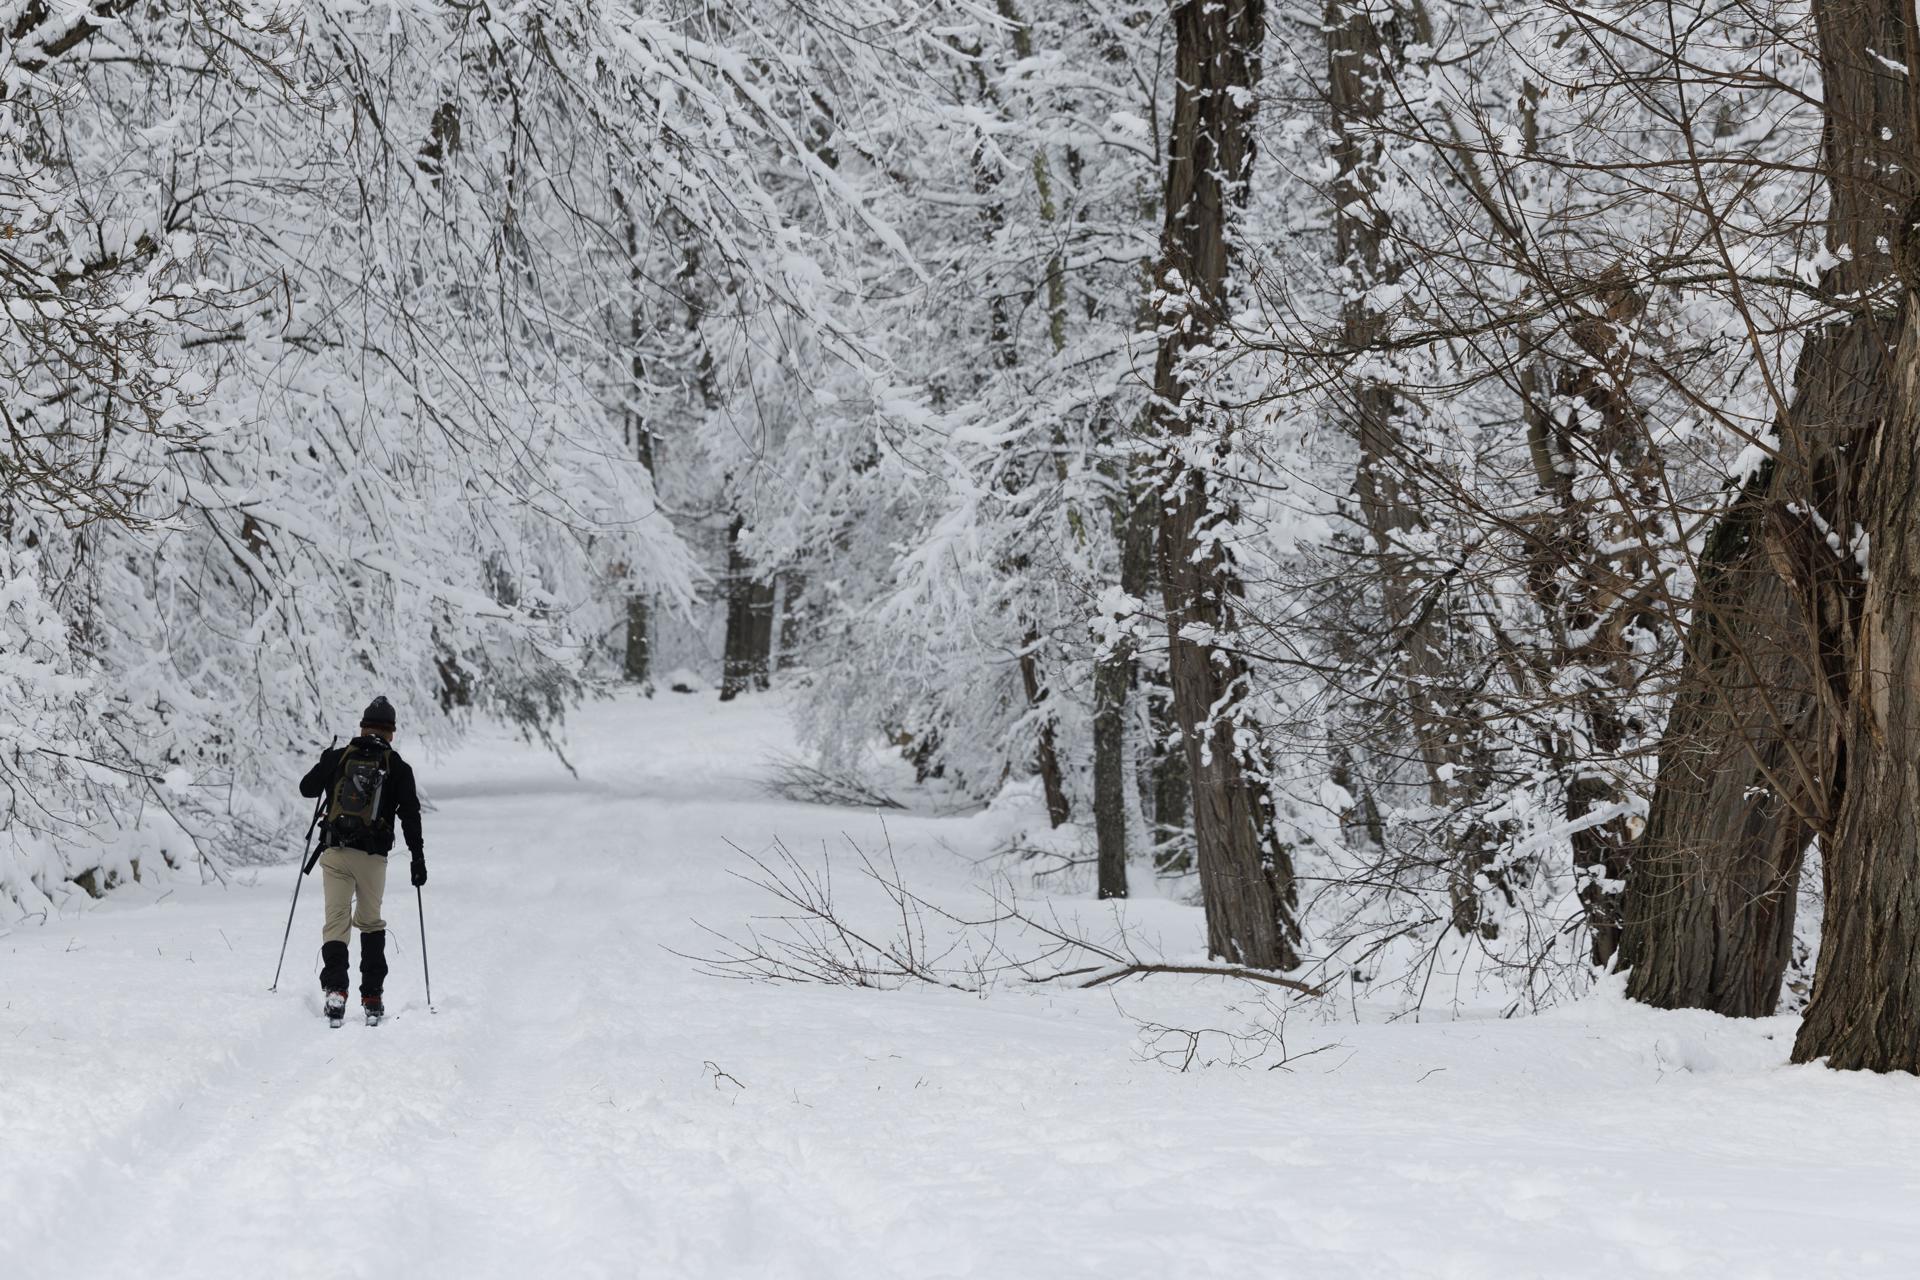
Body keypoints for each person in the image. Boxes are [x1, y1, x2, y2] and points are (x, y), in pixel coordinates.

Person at [299, 696, 426, 1025]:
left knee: (336, 922)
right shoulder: (397, 766)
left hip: (335, 852)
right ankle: (371, 996)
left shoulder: (338, 758)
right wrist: (417, 859)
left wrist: (326, 762)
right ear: (392, 734)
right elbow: (411, 816)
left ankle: (335, 992)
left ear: (362, 727)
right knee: (370, 922)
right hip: (372, 858)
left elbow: (306, 789)